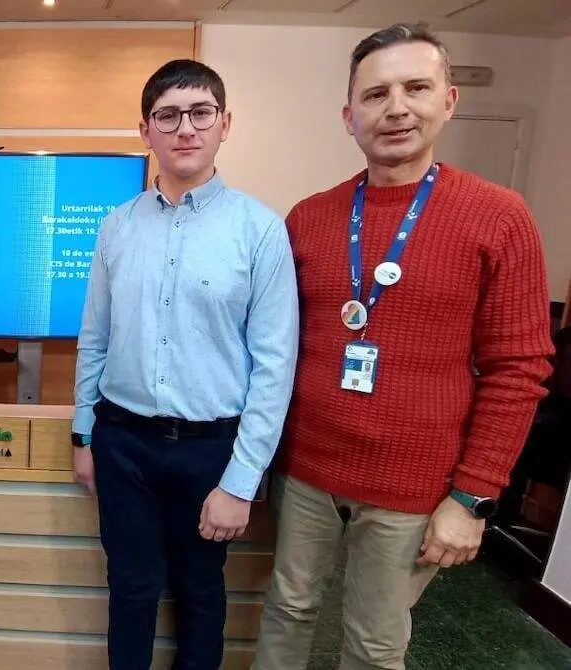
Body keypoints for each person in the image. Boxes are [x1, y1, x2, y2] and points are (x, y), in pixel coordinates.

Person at [253, 24, 554, 670]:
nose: (395, 108)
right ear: (348, 116)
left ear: (447, 100)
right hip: (306, 471)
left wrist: (472, 497)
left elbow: (519, 369)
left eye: (415, 88)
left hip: (413, 486)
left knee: (372, 639)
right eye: (375, 94)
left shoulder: (499, 218)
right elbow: (275, 345)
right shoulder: (309, 217)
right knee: (287, 608)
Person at [72, 59, 299, 670]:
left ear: (225, 124)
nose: (185, 129)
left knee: (201, 594)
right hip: (123, 444)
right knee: (131, 591)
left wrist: (241, 481)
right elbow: (95, 338)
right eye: (167, 116)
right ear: (146, 130)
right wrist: (83, 434)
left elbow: (276, 367)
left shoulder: (259, 230)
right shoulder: (116, 228)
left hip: (211, 452)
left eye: (200, 113)